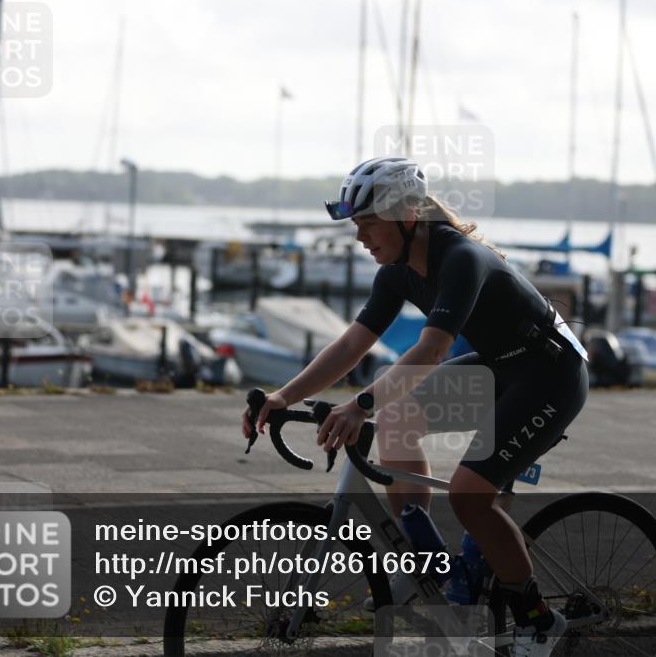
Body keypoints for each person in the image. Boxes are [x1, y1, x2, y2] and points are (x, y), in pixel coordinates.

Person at [243, 156, 589, 657]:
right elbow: (349, 346)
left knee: (470, 496)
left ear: (406, 216)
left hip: (550, 374)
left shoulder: (460, 258)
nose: (360, 236)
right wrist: (281, 397)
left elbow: (430, 350)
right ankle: (423, 562)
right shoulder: (398, 271)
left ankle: (539, 619)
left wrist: (360, 403)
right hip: (499, 365)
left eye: (367, 222)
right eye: (355, 225)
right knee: (399, 420)